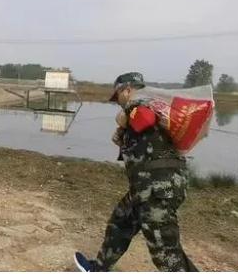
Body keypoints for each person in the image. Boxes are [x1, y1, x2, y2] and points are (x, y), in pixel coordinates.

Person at [74, 72, 197, 272]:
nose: (117, 102)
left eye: (118, 97)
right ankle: (99, 268)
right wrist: (123, 134)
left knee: (166, 254)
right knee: (120, 222)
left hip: (158, 189)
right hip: (145, 188)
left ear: (128, 90)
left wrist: (126, 114)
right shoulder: (145, 110)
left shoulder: (143, 105)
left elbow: (145, 119)